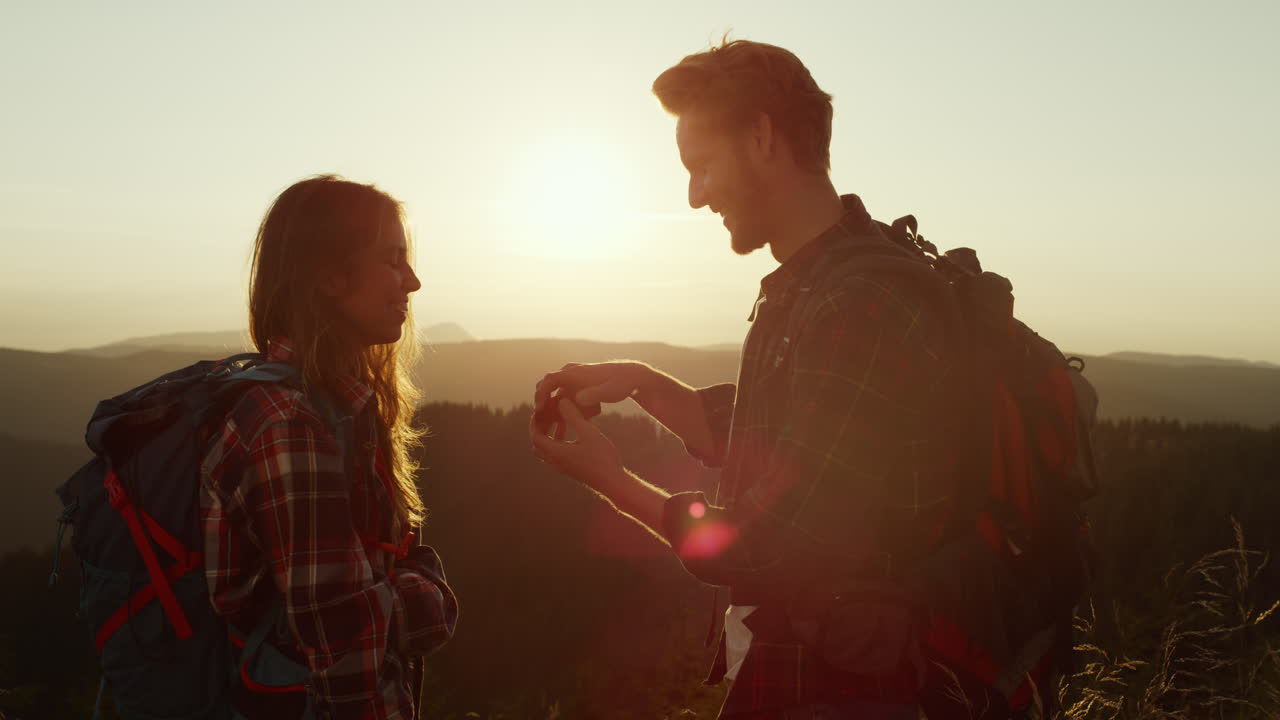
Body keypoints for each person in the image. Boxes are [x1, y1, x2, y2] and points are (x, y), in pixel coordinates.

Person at [530, 40, 958, 719]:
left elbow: (780, 545)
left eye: (702, 166)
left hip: (843, 686)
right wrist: (641, 382)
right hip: (808, 666)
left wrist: (611, 481)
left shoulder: (858, 303)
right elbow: (783, 447)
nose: (695, 196)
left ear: (761, 136)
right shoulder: (813, 283)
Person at [201, 175, 459, 719]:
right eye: (392, 260)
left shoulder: (337, 411)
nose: (412, 282)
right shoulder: (291, 424)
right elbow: (344, 650)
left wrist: (391, 594)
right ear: (329, 278)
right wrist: (425, 595)